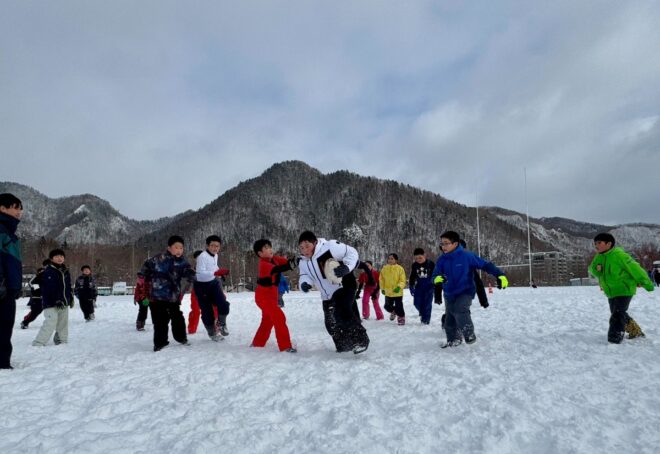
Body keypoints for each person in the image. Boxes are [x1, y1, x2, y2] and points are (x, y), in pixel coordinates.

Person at [297, 230, 369, 354]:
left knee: (341, 313)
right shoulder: (303, 262)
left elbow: (352, 252)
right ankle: (343, 345)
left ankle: (361, 340)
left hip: (343, 286)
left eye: (307, 246)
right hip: (326, 295)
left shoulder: (330, 246)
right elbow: (304, 275)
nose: (305, 250)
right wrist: (304, 283)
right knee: (331, 324)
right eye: (302, 248)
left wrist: (346, 267)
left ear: (315, 243)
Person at [432, 231, 508, 348]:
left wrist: (500, 275)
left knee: (460, 310)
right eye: (442, 244)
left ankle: (469, 333)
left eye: (446, 243)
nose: (443, 246)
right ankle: (453, 340)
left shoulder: (467, 256)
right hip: (449, 293)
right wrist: (436, 279)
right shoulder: (441, 260)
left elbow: (485, 265)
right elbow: (434, 275)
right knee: (449, 320)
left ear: (455, 243)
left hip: (465, 291)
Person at [588, 233, 654, 344]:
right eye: (595, 243)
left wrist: (646, 283)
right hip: (611, 291)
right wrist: (597, 269)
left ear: (609, 244)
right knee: (618, 312)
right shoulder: (599, 257)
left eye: (599, 242)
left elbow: (635, 269)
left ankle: (615, 337)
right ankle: (635, 331)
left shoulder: (620, 255)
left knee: (617, 313)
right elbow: (592, 269)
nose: (596, 245)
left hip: (624, 289)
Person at [138, 235, 196, 351]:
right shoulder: (158, 258)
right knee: (160, 320)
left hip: (173, 297)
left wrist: (192, 275)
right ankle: (160, 343)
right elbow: (144, 269)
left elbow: (189, 273)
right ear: (169, 248)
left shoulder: (183, 262)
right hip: (157, 296)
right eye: (176, 247)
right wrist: (145, 280)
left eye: (181, 248)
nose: (179, 250)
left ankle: (181, 338)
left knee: (178, 318)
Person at [251, 239, 297, 352]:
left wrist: (297, 260)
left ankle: (257, 343)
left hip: (272, 296)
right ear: (260, 253)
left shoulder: (274, 259)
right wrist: (291, 265)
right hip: (263, 297)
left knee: (268, 320)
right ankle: (285, 346)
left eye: (270, 247)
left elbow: (286, 262)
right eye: (266, 248)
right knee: (279, 317)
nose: (270, 249)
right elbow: (278, 269)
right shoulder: (263, 264)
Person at [32, 249, 74, 346]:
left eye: (61, 256)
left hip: (64, 302)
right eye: (57, 256)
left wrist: (70, 297)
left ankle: (61, 340)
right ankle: (39, 342)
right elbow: (35, 283)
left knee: (63, 323)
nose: (60, 258)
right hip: (50, 303)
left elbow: (68, 286)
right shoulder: (47, 271)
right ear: (51, 259)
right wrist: (39, 293)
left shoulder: (66, 271)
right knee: (50, 322)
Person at [0, 193, 23, 369]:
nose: (19, 212)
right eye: (16, 208)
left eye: (20, 209)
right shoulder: (1, 231)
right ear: (2, 208)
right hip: (2, 288)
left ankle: (3, 361)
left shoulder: (10, 233)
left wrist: (16, 286)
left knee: (6, 326)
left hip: (8, 289)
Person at [193, 235, 230, 341]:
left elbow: (214, 267)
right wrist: (215, 273)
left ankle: (221, 323)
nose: (215, 248)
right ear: (207, 246)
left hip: (213, 283)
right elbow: (200, 274)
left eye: (217, 246)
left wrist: (220, 272)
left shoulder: (215, 255)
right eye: (212, 245)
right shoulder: (202, 257)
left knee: (223, 304)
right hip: (201, 286)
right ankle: (212, 333)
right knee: (207, 311)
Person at [187, 250, 217, 335]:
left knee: (214, 309)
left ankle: (216, 328)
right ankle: (191, 329)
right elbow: (187, 282)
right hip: (196, 292)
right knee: (195, 310)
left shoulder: (211, 268)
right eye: (197, 258)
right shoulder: (192, 270)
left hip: (210, 291)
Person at [409, 248, 435, 325]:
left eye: (420, 258)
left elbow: (435, 275)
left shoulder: (431, 264)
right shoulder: (414, 265)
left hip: (429, 287)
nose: (418, 260)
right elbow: (412, 276)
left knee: (427, 304)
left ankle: (425, 320)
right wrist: (411, 286)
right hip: (419, 287)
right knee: (416, 303)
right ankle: (422, 312)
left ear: (424, 255)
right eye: (416, 258)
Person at [21, 260, 49, 329]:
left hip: (47, 297)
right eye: (47, 265)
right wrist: (38, 290)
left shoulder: (52, 274)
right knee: (36, 312)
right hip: (37, 297)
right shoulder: (41, 274)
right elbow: (31, 283)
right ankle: (25, 322)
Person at [380, 253, 407, 325]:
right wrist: (382, 288)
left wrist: (399, 287)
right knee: (387, 306)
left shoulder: (400, 269)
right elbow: (381, 279)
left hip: (397, 292)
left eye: (392, 259)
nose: (390, 260)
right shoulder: (384, 268)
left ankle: (401, 317)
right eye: (389, 259)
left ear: (396, 260)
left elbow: (402, 280)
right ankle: (394, 311)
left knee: (399, 306)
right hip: (388, 292)